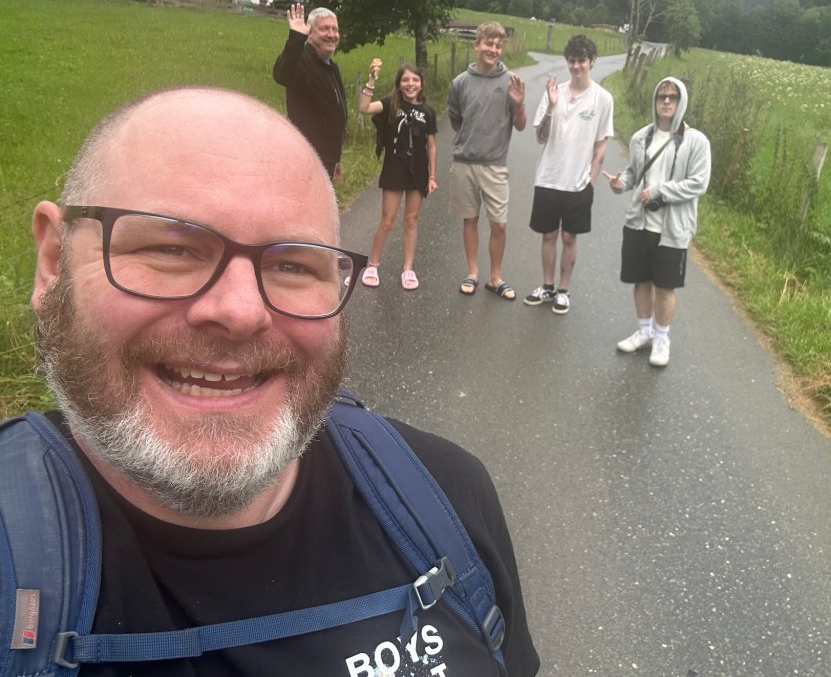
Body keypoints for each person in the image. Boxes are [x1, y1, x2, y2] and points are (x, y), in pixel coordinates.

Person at [20, 87, 539, 675]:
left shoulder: (448, 496)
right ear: (54, 262)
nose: (240, 312)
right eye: (171, 249)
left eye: (292, 265)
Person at [602, 77, 711, 367]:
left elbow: (699, 183)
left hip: (672, 227)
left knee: (664, 286)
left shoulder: (697, 142)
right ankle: (644, 331)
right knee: (641, 281)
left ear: (681, 102)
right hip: (639, 223)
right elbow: (633, 173)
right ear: (655, 100)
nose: (666, 101)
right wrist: (619, 183)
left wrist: (660, 191)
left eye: (672, 97)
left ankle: (662, 338)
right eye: (661, 96)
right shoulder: (641, 137)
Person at [524, 35, 614, 315]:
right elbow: (540, 137)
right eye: (572, 61)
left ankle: (563, 290)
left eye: (581, 61)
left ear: (592, 61)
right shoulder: (555, 93)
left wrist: (591, 182)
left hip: (579, 184)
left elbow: (601, 143)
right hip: (549, 178)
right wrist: (551, 106)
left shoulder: (603, 99)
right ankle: (548, 286)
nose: (576, 66)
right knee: (548, 235)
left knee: (569, 238)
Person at [447, 21, 527, 301]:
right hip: (465, 163)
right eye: (489, 44)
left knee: (499, 224)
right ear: (477, 45)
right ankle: (472, 273)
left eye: (498, 45)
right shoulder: (459, 83)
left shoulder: (511, 82)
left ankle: (496, 277)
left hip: (495, 164)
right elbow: (456, 121)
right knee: (470, 219)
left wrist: (519, 104)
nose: (494, 49)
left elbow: (521, 126)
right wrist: (472, 141)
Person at [356, 58, 438, 291]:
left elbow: (431, 146)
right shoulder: (390, 104)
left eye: (415, 80)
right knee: (387, 220)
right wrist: (371, 80)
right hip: (394, 168)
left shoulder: (428, 112)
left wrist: (432, 176)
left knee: (411, 220)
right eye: (405, 80)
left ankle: (408, 269)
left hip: (418, 171)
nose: (410, 84)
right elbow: (364, 108)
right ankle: (372, 265)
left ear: (421, 84)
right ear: (399, 84)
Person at [272, 3, 347, 181]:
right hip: (306, 159)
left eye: (335, 29)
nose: (331, 34)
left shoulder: (331, 67)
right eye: (324, 29)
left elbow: (334, 115)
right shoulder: (302, 60)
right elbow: (282, 75)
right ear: (310, 33)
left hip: (326, 159)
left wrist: (336, 158)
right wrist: (296, 39)